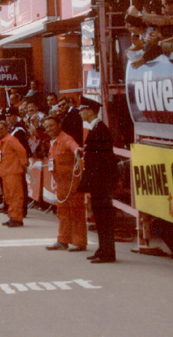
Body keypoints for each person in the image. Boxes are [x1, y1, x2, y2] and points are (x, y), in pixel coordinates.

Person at [77, 96, 118, 264]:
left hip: (101, 182)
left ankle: (108, 252)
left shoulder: (100, 129)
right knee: (100, 217)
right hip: (98, 182)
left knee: (103, 217)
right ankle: (103, 249)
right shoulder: (96, 128)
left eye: (83, 109)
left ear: (91, 111)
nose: (80, 112)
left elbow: (104, 160)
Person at [44, 116, 86, 252]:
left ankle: (79, 242)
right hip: (61, 184)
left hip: (72, 183)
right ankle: (63, 240)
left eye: (51, 125)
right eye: (47, 127)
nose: (49, 129)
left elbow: (72, 145)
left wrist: (77, 150)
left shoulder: (65, 138)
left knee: (76, 212)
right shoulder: (52, 142)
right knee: (62, 213)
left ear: (59, 125)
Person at [0, 120, 28, 227]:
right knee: (9, 197)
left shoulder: (10, 139)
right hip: (6, 173)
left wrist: (24, 165)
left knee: (16, 196)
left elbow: (22, 151)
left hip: (13, 173)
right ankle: (12, 216)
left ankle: (17, 218)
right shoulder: (2, 141)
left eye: (1, 129)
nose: (0, 131)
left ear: (6, 128)